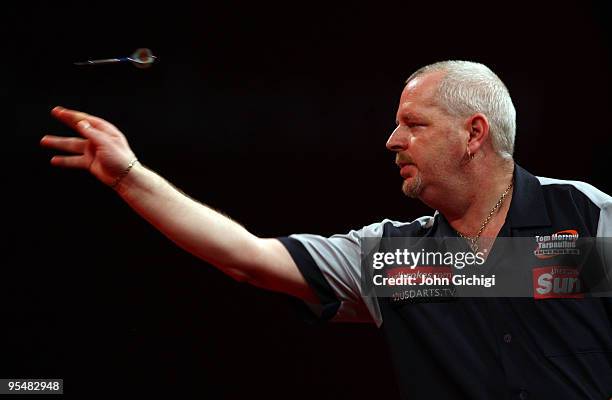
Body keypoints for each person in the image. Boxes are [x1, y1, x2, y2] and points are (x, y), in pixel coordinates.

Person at [40, 61, 612, 399]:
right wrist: (130, 178)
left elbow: (502, 275)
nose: (392, 141)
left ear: (473, 133)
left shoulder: (585, 216)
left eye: (413, 124)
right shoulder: (395, 256)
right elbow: (248, 257)